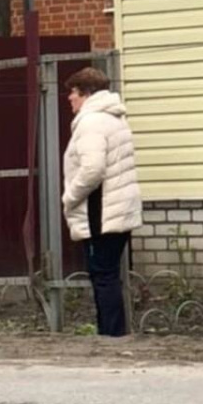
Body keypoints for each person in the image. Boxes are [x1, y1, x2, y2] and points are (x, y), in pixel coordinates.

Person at [61, 67, 142, 337]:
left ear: (85, 93)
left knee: (102, 276)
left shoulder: (91, 122)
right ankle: (112, 331)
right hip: (118, 208)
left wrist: (70, 197)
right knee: (108, 274)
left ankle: (110, 334)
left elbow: (93, 169)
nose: (69, 98)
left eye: (72, 92)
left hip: (101, 210)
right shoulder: (114, 118)